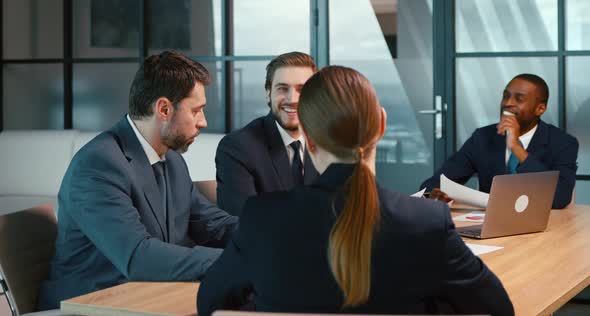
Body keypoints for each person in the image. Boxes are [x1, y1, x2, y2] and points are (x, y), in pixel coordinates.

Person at [197, 66, 513, 315]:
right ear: (382, 124)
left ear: (306, 135)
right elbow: (498, 308)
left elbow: (211, 302)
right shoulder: (427, 221)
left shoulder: (262, 218)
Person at [37, 51, 238, 310]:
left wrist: (267, 236)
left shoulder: (172, 160)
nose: (203, 121)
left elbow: (210, 224)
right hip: (89, 305)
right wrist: (236, 261)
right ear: (164, 109)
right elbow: (139, 257)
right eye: (196, 110)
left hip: (145, 298)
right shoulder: (98, 165)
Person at [420, 74, 578, 209]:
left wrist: (516, 148)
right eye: (506, 96)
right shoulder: (483, 137)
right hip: (490, 222)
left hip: (543, 225)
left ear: (540, 109)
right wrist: (434, 192)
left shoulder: (563, 143)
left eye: (519, 99)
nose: (508, 103)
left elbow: (560, 198)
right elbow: (438, 181)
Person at [215, 51, 319, 216]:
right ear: (268, 93)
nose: (292, 98)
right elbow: (245, 224)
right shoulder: (238, 148)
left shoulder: (328, 143)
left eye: (302, 89)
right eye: (282, 88)